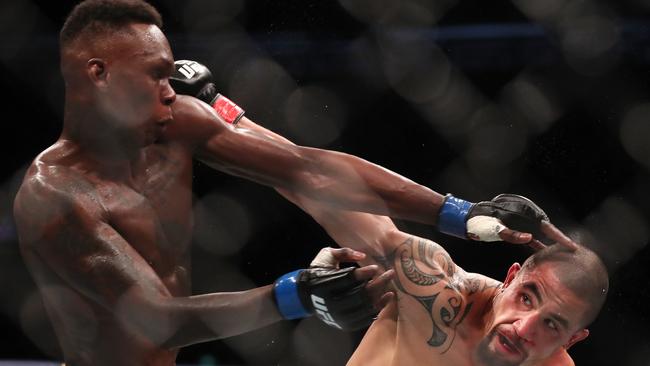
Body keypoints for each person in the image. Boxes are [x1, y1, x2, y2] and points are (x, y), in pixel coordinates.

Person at [12, 1, 577, 365]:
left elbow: (308, 168)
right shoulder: (55, 196)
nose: (170, 87)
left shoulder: (175, 124)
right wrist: (295, 294)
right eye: (156, 73)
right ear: (98, 73)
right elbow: (153, 321)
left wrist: (458, 212)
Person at [175, 59, 608, 366]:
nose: (523, 327)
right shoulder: (434, 286)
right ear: (510, 277)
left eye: (552, 324)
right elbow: (313, 181)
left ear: (573, 340)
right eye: (527, 297)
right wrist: (218, 110)